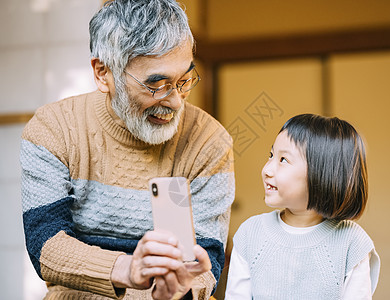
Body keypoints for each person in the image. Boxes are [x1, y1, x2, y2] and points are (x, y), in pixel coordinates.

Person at [20, 0, 235, 299]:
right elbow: (45, 246)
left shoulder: (209, 141)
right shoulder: (54, 128)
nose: (176, 101)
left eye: (184, 80)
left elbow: (207, 261)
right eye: (157, 85)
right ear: (103, 73)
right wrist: (128, 269)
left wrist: (179, 290)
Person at [225, 114, 380, 299]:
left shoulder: (352, 243)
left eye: (283, 160)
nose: (267, 170)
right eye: (271, 155)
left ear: (323, 174)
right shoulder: (250, 233)